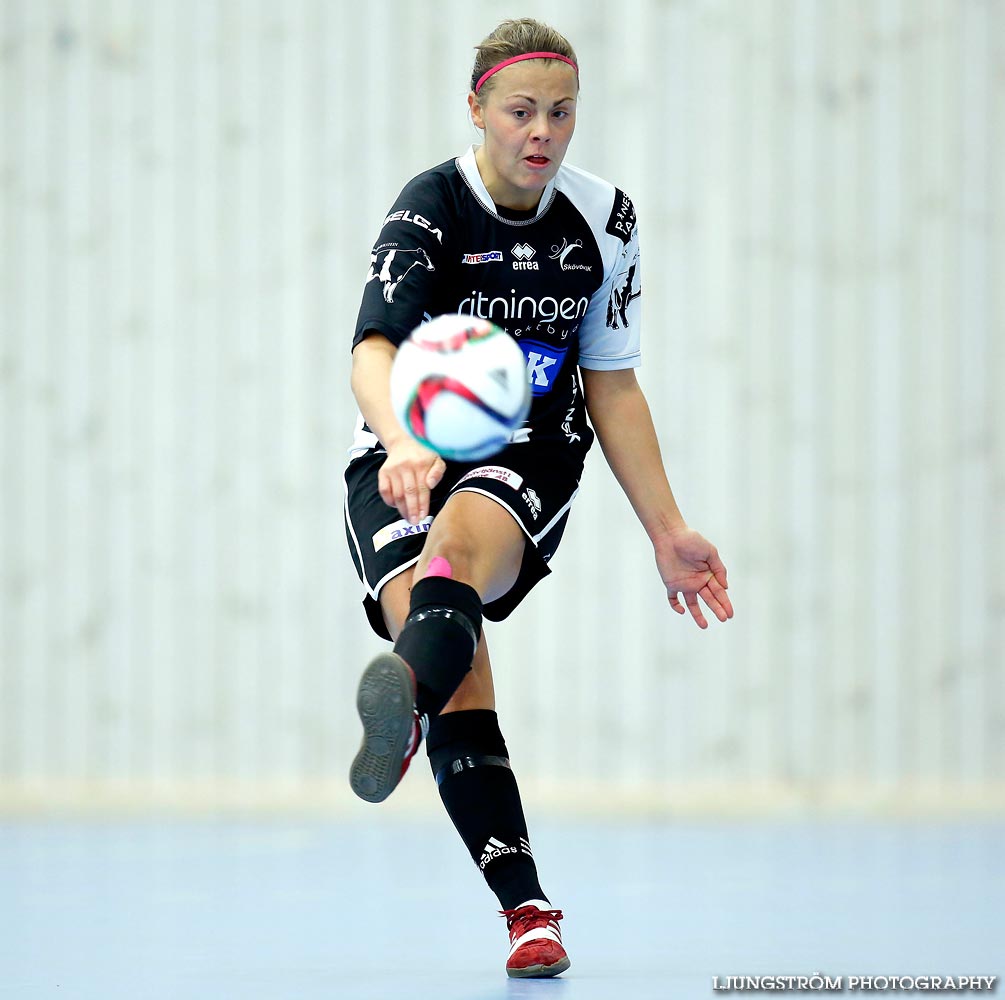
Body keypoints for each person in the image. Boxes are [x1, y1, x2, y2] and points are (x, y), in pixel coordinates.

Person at [343, 17, 733, 980]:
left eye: (561, 113)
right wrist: (399, 440)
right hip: (406, 448)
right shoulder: (429, 208)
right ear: (475, 109)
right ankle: (527, 910)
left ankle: (410, 701)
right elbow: (372, 353)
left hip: (532, 451)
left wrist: (667, 528)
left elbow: (612, 382)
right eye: (520, 112)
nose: (542, 133)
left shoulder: (604, 220)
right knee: (454, 651)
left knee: (455, 565)